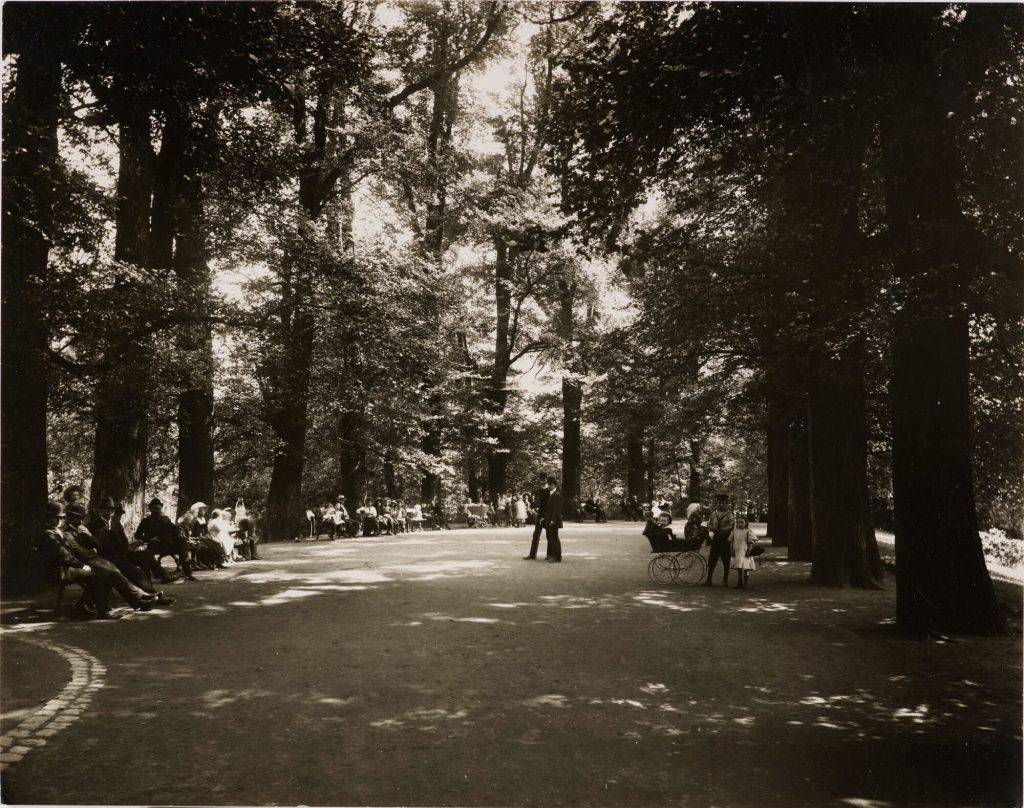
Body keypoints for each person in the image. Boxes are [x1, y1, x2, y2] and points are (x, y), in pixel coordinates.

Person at [56, 503, 166, 613]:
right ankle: (139, 598)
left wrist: (89, 536)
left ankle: (140, 599)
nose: (80, 521)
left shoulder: (82, 529)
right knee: (113, 573)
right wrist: (92, 551)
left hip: (98, 559)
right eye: (77, 518)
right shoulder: (68, 532)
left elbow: (97, 545)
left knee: (118, 572)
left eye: (82, 518)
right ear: (70, 518)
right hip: (86, 562)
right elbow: (79, 551)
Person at [88, 496, 171, 591]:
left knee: (146, 555)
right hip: (110, 558)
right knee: (137, 571)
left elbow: (124, 542)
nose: (110, 512)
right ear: (100, 511)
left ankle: (158, 581)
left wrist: (132, 546)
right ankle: (151, 592)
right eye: (106, 509)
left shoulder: (116, 524)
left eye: (112, 510)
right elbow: (99, 546)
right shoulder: (94, 526)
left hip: (123, 554)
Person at [136, 497, 194, 580]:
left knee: (182, 539)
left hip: (170, 543)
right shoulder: (146, 521)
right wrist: (149, 539)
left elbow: (174, 528)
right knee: (180, 544)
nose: (158, 510)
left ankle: (186, 569)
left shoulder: (165, 518)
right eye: (155, 508)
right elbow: (137, 535)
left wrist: (179, 533)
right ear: (151, 509)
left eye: (159, 508)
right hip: (157, 544)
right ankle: (184, 560)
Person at [704, 493, 736, 586]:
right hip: (716, 539)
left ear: (726, 504)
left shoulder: (730, 514)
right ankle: (709, 579)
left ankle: (725, 580)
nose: (721, 504)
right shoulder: (713, 513)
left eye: (723, 503)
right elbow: (709, 524)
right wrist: (712, 528)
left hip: (725, 539)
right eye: (719, 502)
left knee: (726, 560)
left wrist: (722, 530)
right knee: (712, 560)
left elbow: (731, 525)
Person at [523, 476, 551, 560]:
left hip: (546, 516)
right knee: (535, 535)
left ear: (546, 480)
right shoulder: (539, 490)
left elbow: (549, 505)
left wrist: (544, 516)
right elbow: (536, 503)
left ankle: (549, 555)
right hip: (539, 516)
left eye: (544, 479)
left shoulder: (549, 491)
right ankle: (532, 554)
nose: (542, 481)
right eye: (541, 480)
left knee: (549, 536)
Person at [730, 516, 759, 588]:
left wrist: (749, 551)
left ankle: (745, 583)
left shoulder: (748, 531)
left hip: (745, 552)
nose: (740, 524)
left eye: (742, 522)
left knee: (746, 567)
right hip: (737, 551)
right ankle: (739, 582)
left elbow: (750, 543)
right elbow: (731, 541)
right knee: (739, 567)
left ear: (746, 523)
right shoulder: (734, 531)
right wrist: (731, 550)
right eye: (738, 522)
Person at [543, 476, 563, 562]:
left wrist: (553, 520)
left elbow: (556, 509)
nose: (549, 486)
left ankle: (556, 557)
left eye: (551, 485)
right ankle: (551, 555)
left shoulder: (556, 495)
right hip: (549, 519)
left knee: (554, 538)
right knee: (550, 537)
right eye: (548, 485)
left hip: (553, 520)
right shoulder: (552, 494)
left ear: (555, 485)